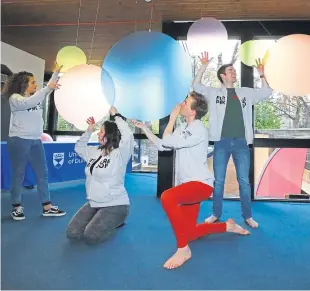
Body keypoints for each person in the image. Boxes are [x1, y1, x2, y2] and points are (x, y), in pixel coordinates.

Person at [133, 92, 250, 270]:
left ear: (193, 112)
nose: (181, 104)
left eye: (186, 102)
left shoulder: (198, 129)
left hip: (200, 185)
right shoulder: (183, 129)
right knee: (189, 233)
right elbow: (163, 145)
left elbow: (168, 140)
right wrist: (144, 128)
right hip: (187, 186)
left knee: (167, 197)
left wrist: (171, 119)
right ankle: (227, 226)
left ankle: (183, 250)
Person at [192, 52, 273, 228]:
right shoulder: (214, 93)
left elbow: (267, 92)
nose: (234, 73)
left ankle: (248, 216)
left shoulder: (245, 92)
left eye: (234, 71)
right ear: (222, 75)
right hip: (221, 142)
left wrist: (261, 73)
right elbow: (196, 86)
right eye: (230, 71)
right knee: (219, 181)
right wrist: (204, 66)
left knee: (244, 181)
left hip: (241, 143)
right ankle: (215, 213)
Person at [4, 63, 66, 221]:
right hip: (19, 140)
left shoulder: (35, 97)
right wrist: (46, 88)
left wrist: (56, 73)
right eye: (33, 82)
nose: (36, 85)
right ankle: (16, 207)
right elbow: (30, 102)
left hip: (35, 141)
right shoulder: (15, 99)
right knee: (19, 174)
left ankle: (47, 206)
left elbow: (48, 89)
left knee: (42, 174)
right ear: (24, 84)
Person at [66, 106, 134, 244]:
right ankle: (100, 217)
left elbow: (128, 135)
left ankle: (119, 220)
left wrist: (116, 116)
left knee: (91, 237)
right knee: (72, 233)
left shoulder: (120, 154)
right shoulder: (94, 151)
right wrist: (89, 129)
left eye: (101, 131)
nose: (98, 134)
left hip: (116, 204)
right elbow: (78, 148)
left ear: (109, 134)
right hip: (94, 202)